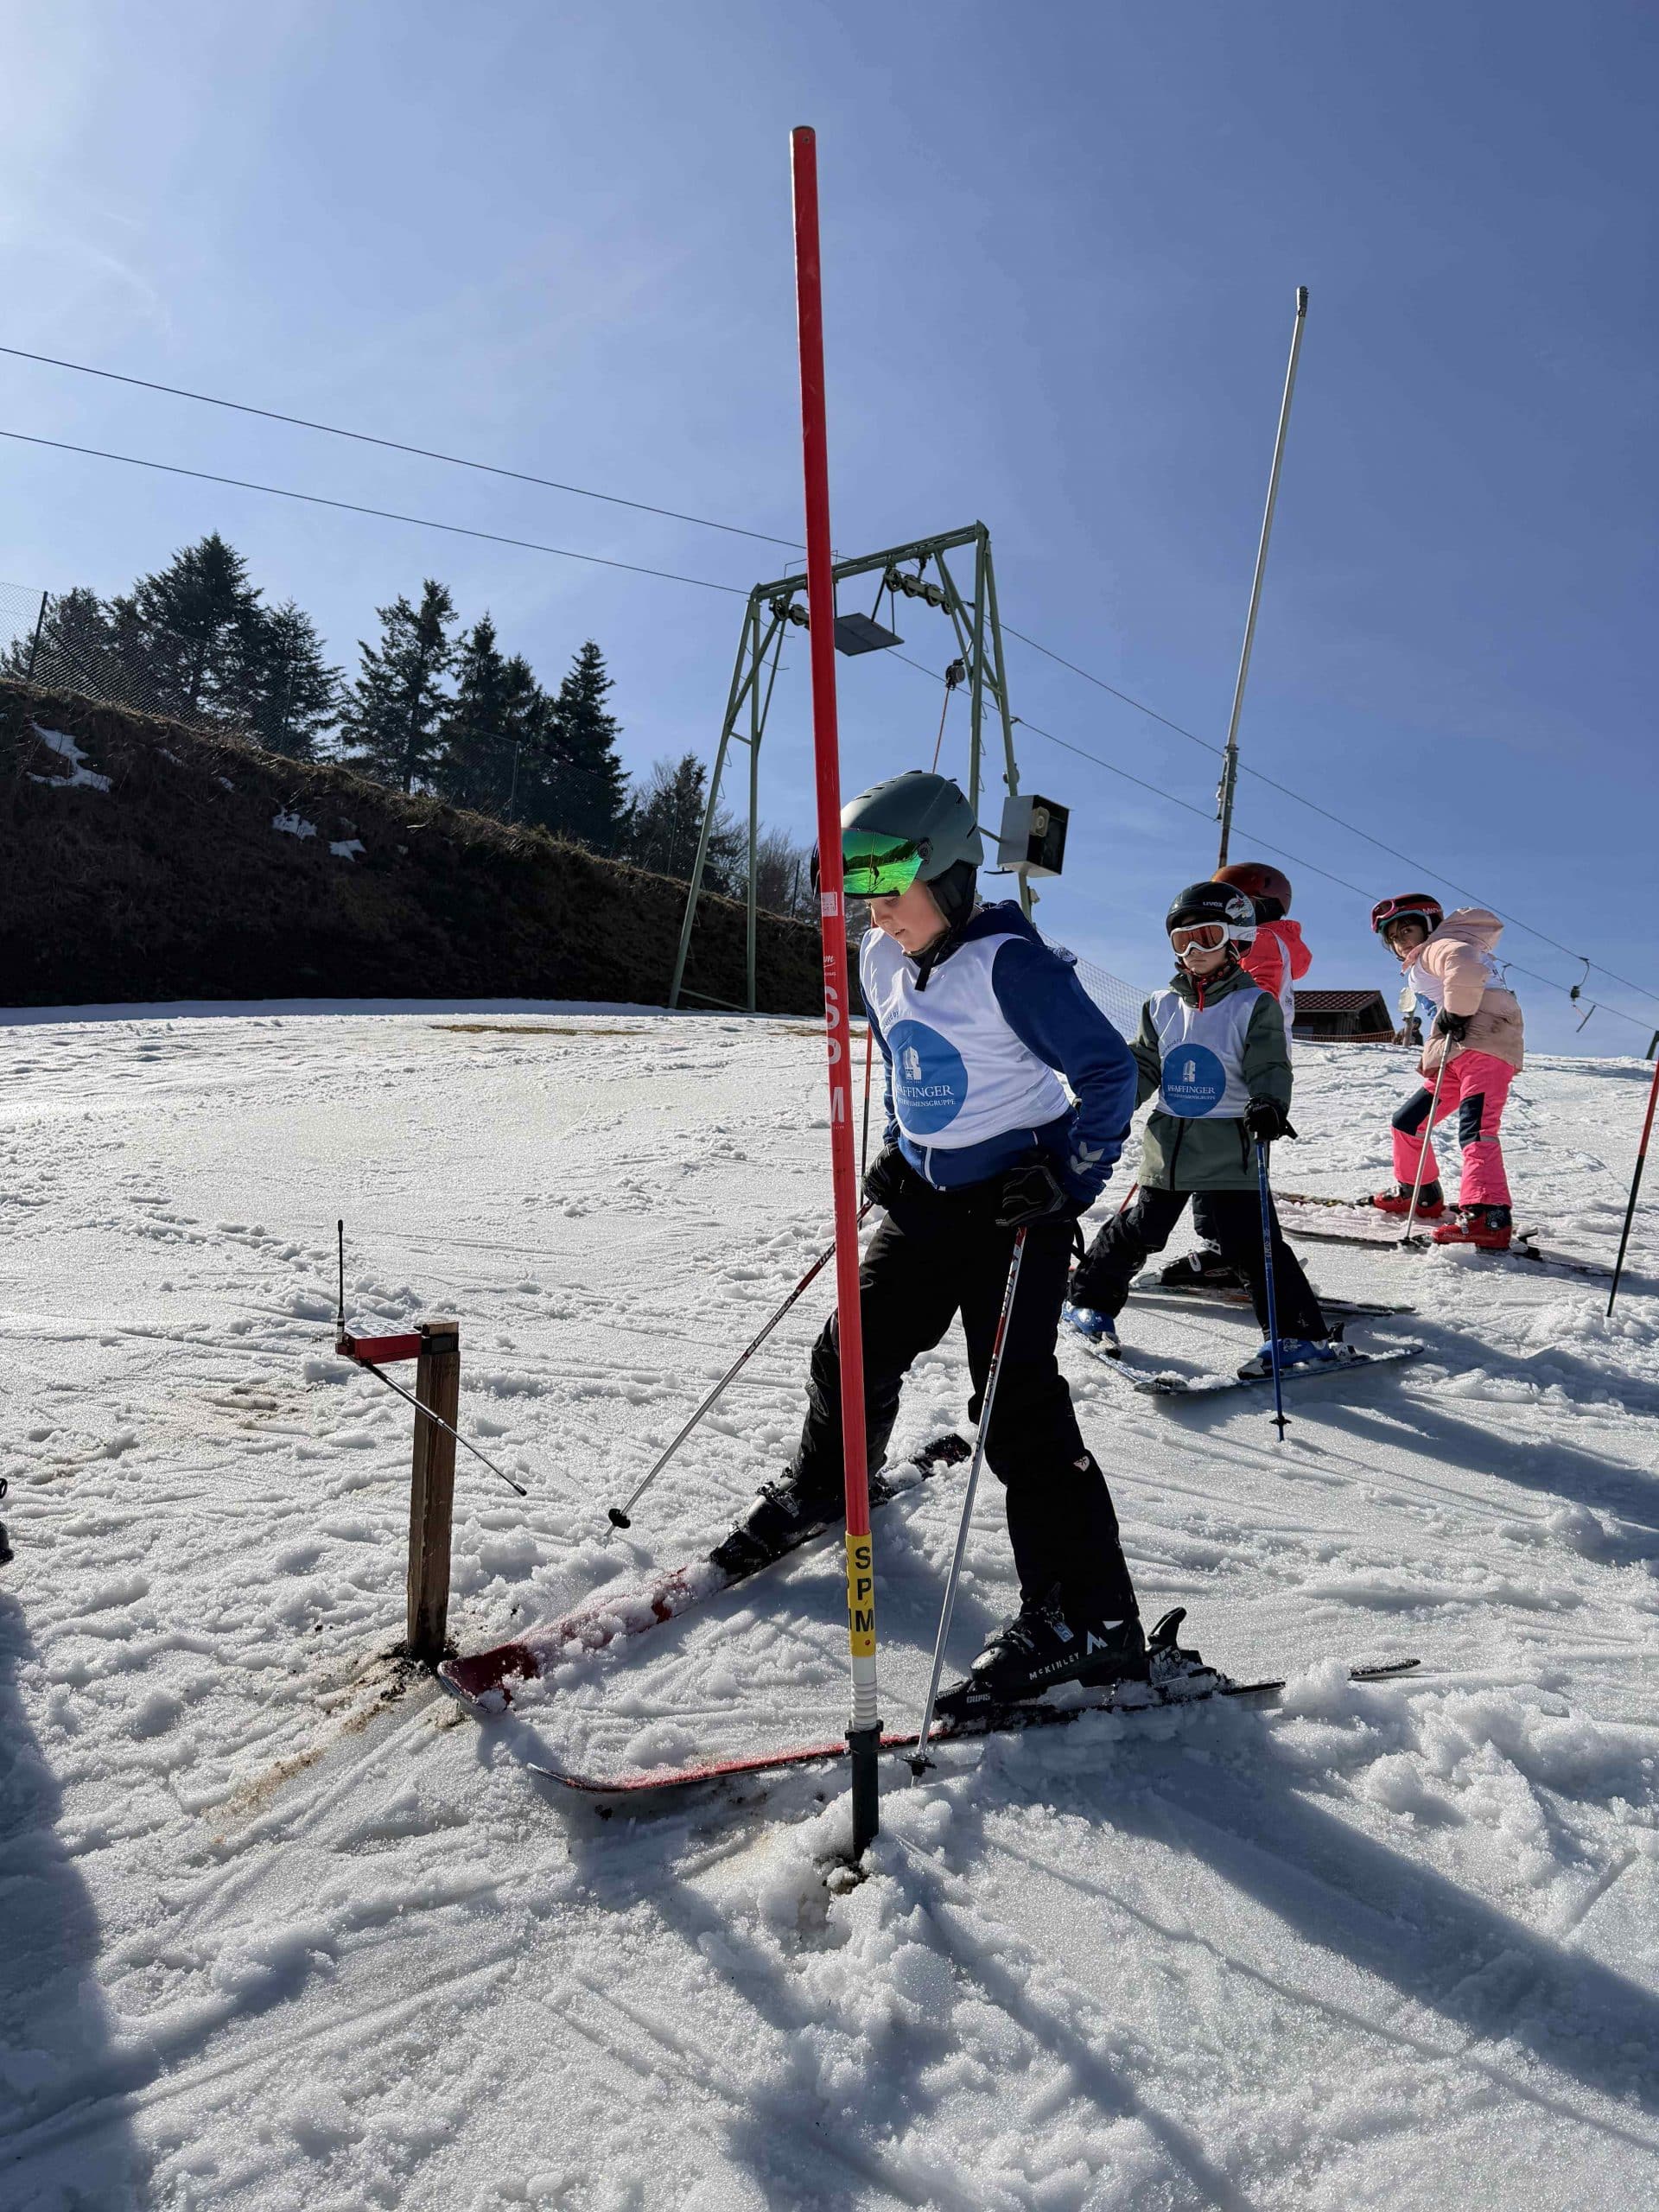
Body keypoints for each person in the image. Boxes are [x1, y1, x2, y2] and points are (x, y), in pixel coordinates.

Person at [719, 769, 1156, 1718]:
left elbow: (1110, 1074)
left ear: (950, 873)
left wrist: (1073, 1178)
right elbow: (902, 1061)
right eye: (860, 891)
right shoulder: (880, 956)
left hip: (1017, 1209)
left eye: (890, 887)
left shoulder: (1011, 964)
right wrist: (898, 1144)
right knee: (852, 1346)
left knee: (1015, 1406)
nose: (875, 911)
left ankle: (1091, 1619)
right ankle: (831, 1485)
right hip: (926, 1200)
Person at [1063, 880, 1344, 1375]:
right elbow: (1144, 1064)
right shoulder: (1160, 1005)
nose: (1193, 951)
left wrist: (1269, 1104)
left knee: (1250, 1243)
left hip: (1231, 1144)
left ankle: (1299, 1335)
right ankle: (1089, 1302)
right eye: (1182, 940)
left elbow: (1269, 1064)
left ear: (1236, 939)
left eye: (1207, 936)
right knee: (1140, 1230)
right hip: (1170, 1143)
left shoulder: (1253, 1004)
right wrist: (1109, 1105)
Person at [1160, 860, 1312, 1293]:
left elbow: (1253, 991)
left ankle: (1231, 1252)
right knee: (1236, 1161)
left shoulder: (1258, 940)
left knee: (1223, 1160)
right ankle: (1239, 1248)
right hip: (1254, 1060)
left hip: (1238, 1060)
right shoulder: (1280, 941)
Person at [1370, 895, 1523, 1249]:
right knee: (1408, 1122)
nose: (1401, 941)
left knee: (1477, 1128)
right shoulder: (1428, 954)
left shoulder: (1439, 947)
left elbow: (1465, 965)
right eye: (1393, 938)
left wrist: (1456, 1012)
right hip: (1459, 1051)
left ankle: (1488, 1216)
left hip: (1483, 1046)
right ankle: (1419, 1193)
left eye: (1407, 930)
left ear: (1429, 925)